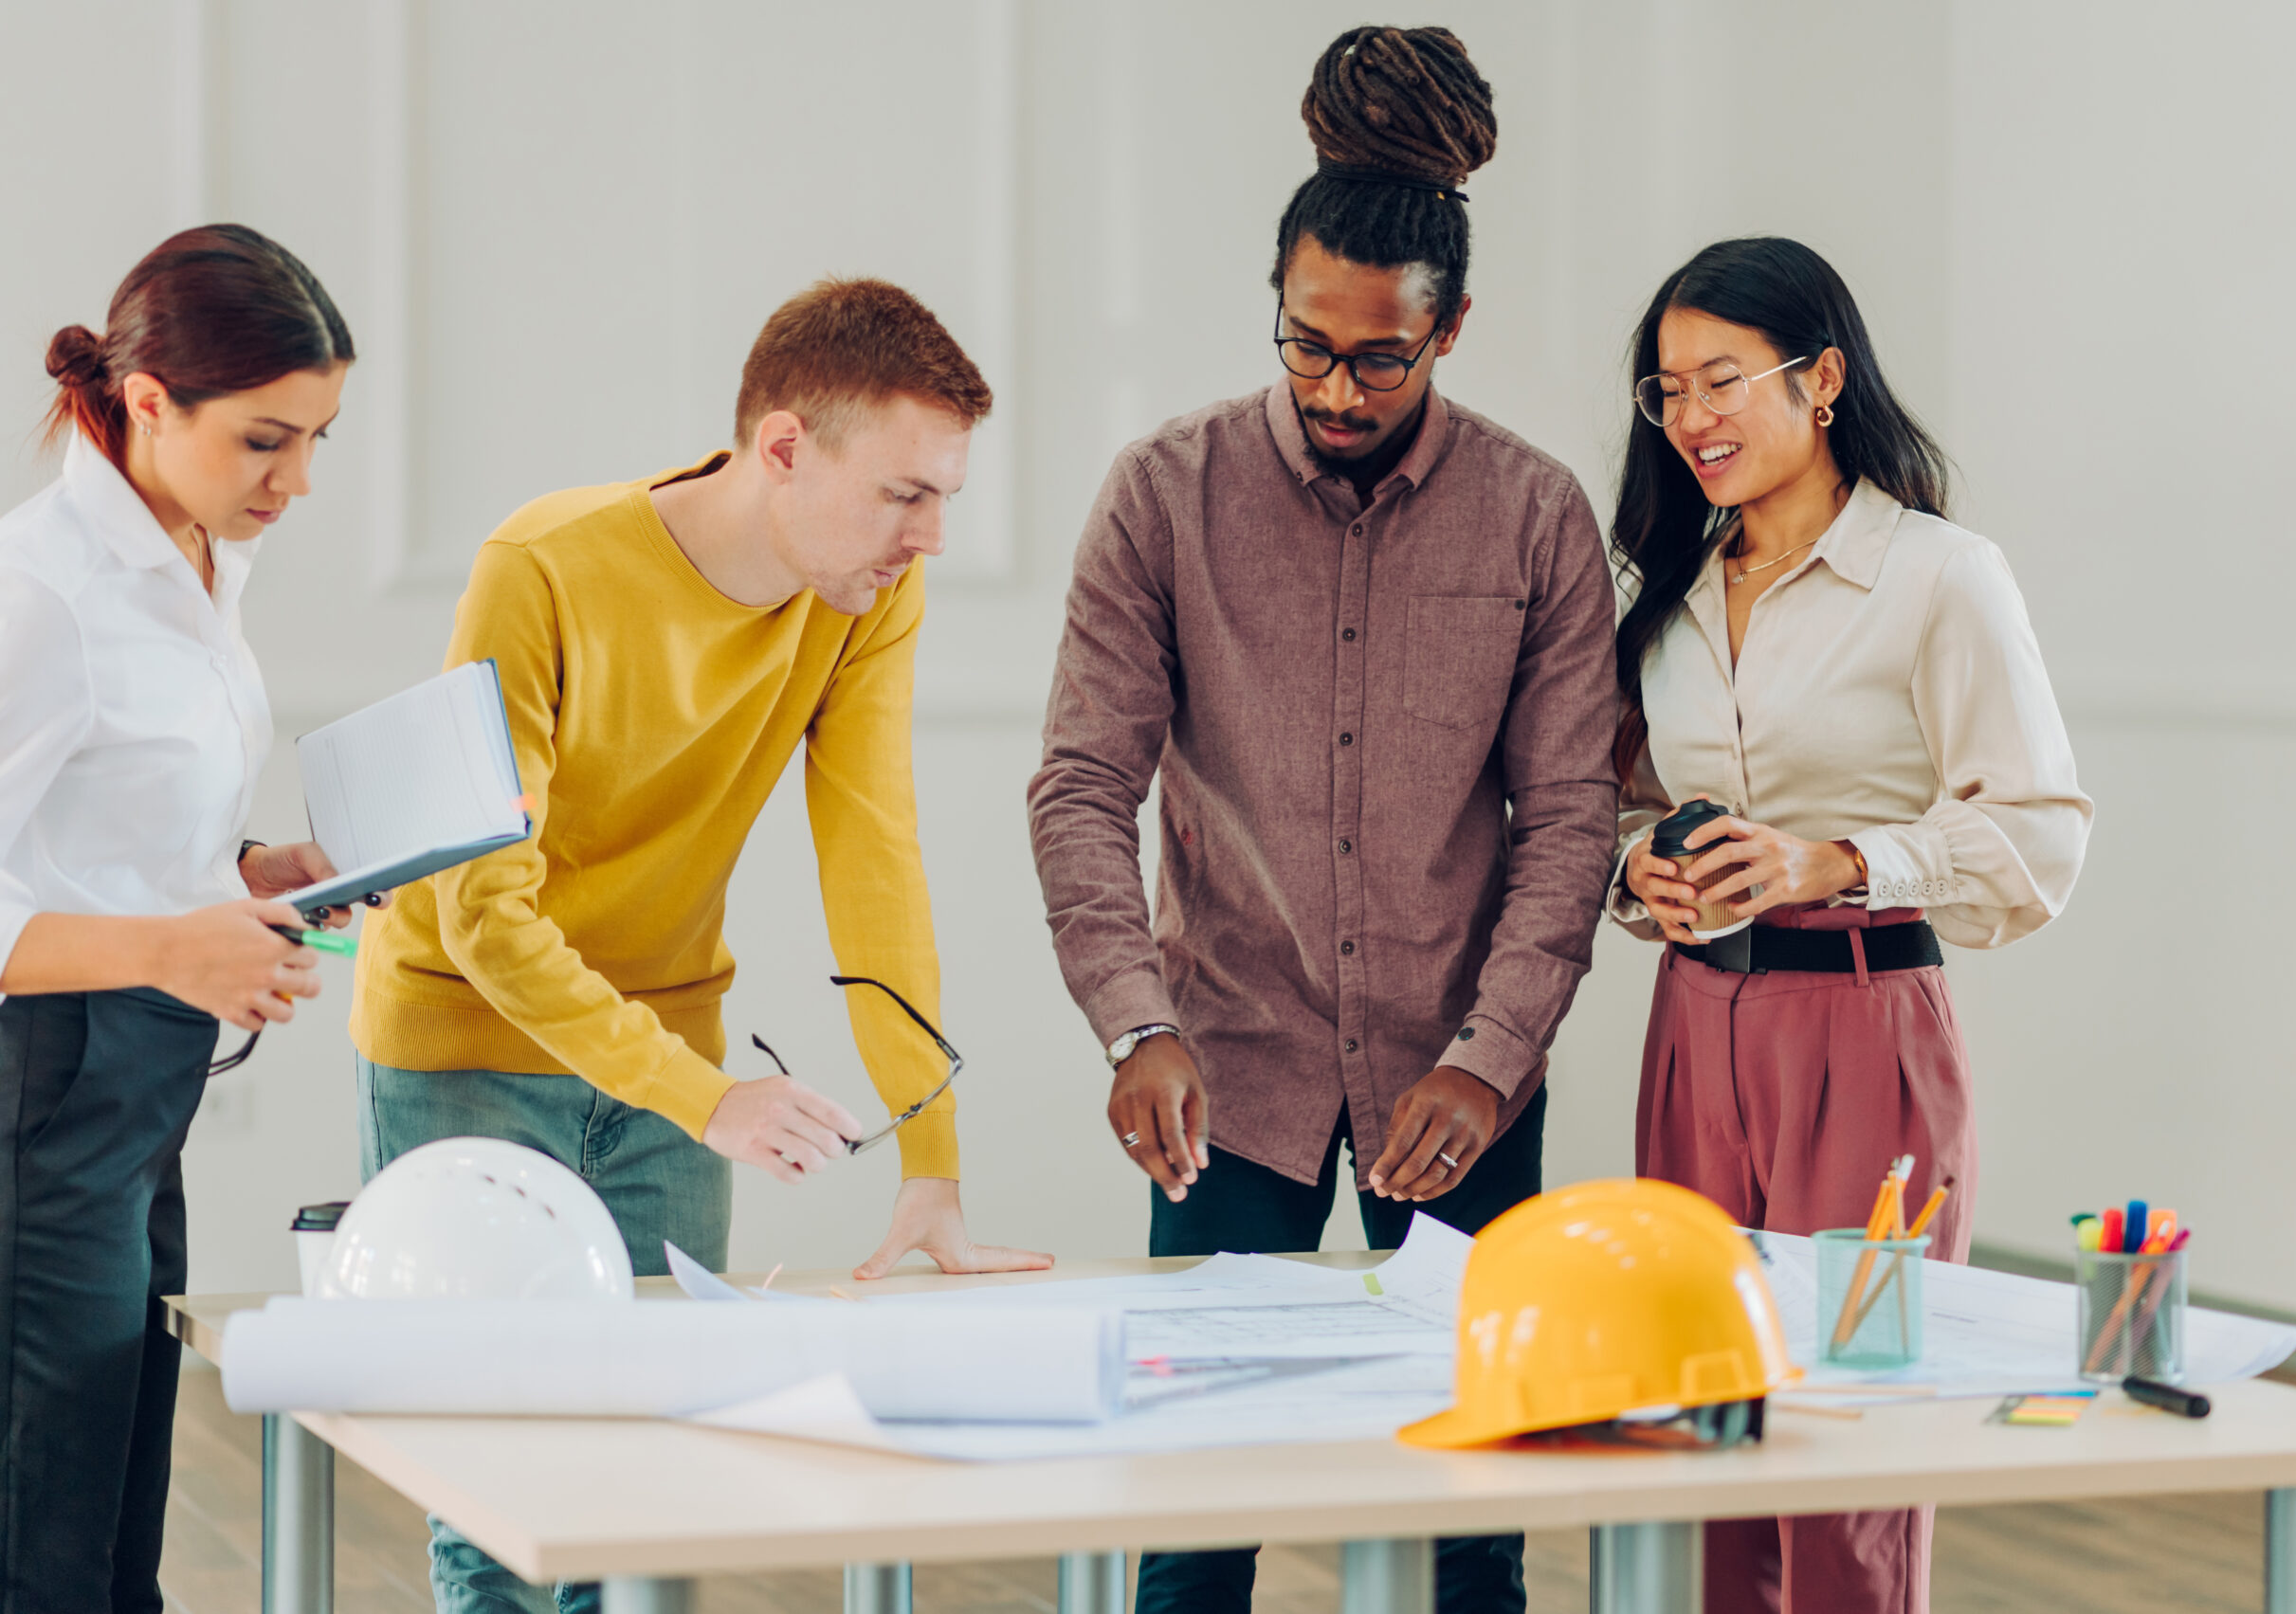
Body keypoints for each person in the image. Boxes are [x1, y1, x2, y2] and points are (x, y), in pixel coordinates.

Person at [349, 278, 1051, 1614]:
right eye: (907, 493)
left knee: (657, 1490)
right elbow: (484, 916)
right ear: (784, 448)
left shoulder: (862, 597)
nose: (936, 535)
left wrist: (931, 1155)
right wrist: (707, 1097)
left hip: (674, 1056)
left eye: (947, 495)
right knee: (502, 1496)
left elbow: (875, 861)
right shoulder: (540, 569)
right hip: (468, 1052)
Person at [1029, 27, 1617, 1614]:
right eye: (1305, 346)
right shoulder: (1164, 492)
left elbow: (1570, 822)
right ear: (1275, 304)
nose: (1336, 387)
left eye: (1381, 358)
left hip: (1463, 1072)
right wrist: (1127, 1023)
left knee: (1473, 1515)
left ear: (1453, 330)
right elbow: (1085, 781)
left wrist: (1492, 1057)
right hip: (1226, 1065)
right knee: (1202, 1509)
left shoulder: (1537, 515)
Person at [1606, 237, 2092, 1614]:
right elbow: (1609, 809)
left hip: (1869, 1037)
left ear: (1821, 380)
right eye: (1666, 389)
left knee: (1852, 1441)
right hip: (1695, 1033)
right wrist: (1642, 868)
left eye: (1721, 380)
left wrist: (1837, 861)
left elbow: (2042, 837)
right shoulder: (1671, 592)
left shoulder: (1943, 575)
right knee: (1697, 1423)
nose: (1690, 416)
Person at [0, 225, 356, 1614]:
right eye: (268, 440)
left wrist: (249, 869)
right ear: (149, 402)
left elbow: (104, 829)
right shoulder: (45, 595)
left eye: (319, 439)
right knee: (46, 1542)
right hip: (50, 1087)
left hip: (140, 1091)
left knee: (115, 1515)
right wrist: (172, 947)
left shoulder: (196, 554)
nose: (300, 481)